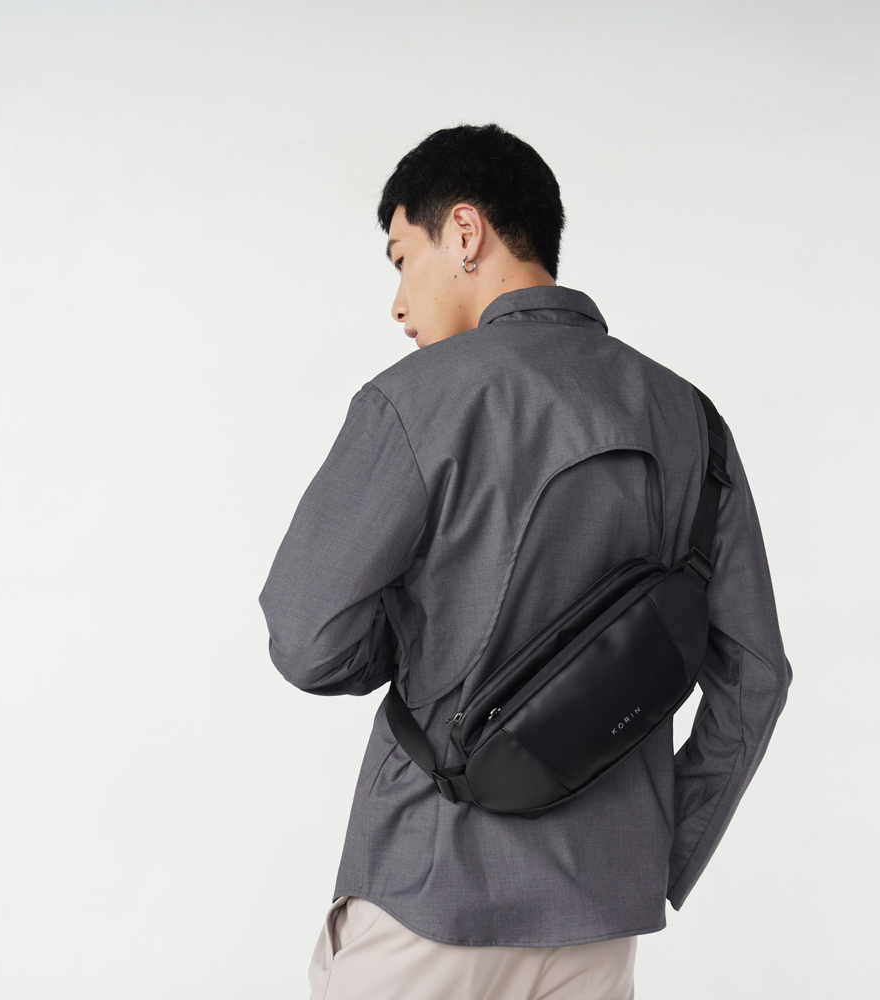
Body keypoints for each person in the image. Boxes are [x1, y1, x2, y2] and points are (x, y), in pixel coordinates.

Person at [259, 124, 791, 1000]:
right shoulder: (691, 419)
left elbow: (305, 639)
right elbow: (756, 677)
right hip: (600, 925)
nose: (397, 304)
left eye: (403, 259)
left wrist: (420, 632)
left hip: (432, 888)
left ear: (465, 233)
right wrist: (659, 849)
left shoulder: (415, 401)